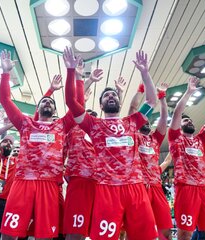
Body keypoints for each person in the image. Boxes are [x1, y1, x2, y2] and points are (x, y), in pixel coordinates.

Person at [64, 46, 158, 240]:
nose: (111, 97)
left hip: (136, 187)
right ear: (100, 105)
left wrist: (145, 73)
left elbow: (151, 101)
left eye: (114, 95)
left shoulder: (132, 121)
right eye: (106, 96)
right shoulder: (93, 124)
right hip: (107, 189)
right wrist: (75, 74)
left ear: (119, 101)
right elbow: (72, 103)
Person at [0, 49, 82, 240]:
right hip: (23, 182)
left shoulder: (61, 125)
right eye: (44, 101)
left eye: (51, 103)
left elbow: (78, 106)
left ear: (54, 110)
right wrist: (5, 73)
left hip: (49, 184)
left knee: (44, 235)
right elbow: (5, 100)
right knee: (9, 234)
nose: (47, 103)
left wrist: (75, 75)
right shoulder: (26, 123)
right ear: (37, 109)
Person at [168, 77, 205, 240]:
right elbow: (177, 112)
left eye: (190, 120)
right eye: (186, 120)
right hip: (186, 188)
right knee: (185, 234)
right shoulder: (175, 137)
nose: (189, 121)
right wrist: (189, 92)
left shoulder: (201, 139)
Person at [63, 60, 104, 240]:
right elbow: (75, 104)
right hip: (79, 180)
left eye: (95, 116)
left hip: (101, 183)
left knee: (98, 231)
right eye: (89, 116)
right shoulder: (74, 128)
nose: (92, 118)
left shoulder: (100, 133)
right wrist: (83, 79)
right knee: (75, 231)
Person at [130, 82, 173, 239]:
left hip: (156, 186)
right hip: (139, 186)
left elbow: (164, 118)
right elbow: (133, 111)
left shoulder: (155, 138)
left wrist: (162, 97)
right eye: (144, 121)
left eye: (149, 122)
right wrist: (140, 90)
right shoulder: (133, 135)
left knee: (166, 230)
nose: (147, 122)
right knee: (136, 231)